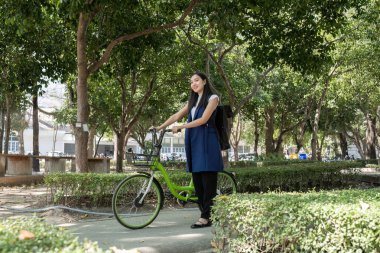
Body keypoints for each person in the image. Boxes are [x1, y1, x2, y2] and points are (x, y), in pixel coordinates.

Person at [156, 71, 223, 228]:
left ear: (204, 81)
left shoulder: (212, 98)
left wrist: (181, 126)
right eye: (192, 81)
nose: (194, 83)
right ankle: (207, 214)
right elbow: (176, 116)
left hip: (207, 141)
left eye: (197, 80)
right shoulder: (193, 101)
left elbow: (204, 119)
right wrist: (159, 127)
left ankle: (205, 217)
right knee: (198, 182)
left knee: (207, 181)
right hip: (194, 141)